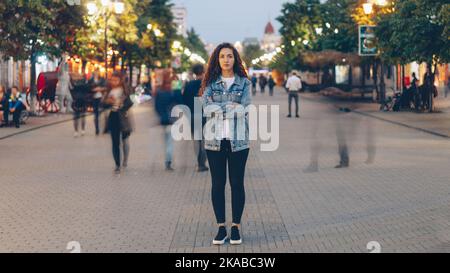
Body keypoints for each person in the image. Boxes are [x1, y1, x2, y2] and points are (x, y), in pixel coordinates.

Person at [201, 42, 251, 245]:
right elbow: (206, 108)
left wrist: (219, 107)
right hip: (215, 142)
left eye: (230, 56)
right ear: (217, 59)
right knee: (217, 184)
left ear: (235, 59)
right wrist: (231, 106)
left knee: (237, 184)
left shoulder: (244, 83)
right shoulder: (210, 83)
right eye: (222, 56)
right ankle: (221, 227)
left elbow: (245, 107)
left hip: (239, 142)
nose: (226, 60)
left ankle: (236, 227)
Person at [103, 72, 134, 173]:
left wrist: (121, 104)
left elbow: (130, 103)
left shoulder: (124, 91)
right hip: (113, 117)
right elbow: (103, 104)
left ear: (120, 80)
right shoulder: (109, 91)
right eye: (112, 80)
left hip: (123, 117)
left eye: (116, 80)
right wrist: (108, 102)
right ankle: (117, 165)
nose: (113, 82)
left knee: (125, 140)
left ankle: (125, 159)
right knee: (115, 142)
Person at [182, 64, 209, 172]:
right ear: (203, 72)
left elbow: (184, 100)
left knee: (197, 140)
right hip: (205, 114)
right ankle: (203, 162)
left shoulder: (189, 85)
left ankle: (200, 162)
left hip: (193, 114)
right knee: (206, 140)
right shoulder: (207, 84)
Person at [153, 68, 178, 171]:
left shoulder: (159, 90)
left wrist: (161, 115)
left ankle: (168, 160)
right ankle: (168, 162)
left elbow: (156, 106)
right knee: (169, 141)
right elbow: (179, 101)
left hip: (164, 119)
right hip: (172, 118)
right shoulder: (174, 89)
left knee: (167, 140)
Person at [88, 70, 106, 135]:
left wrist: (100, 89)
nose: (96, 74)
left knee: (101, 114)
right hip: (94, 98)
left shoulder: (102, 80)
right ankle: (97, 129)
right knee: (96, 115)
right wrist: (93, 90)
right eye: (95, 73)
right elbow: (88, 88)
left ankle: (103, 128)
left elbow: (105, 87)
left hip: (101, 98)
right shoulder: (90, 80)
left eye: (97, 72)